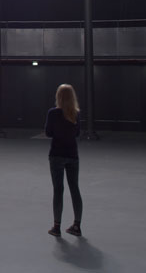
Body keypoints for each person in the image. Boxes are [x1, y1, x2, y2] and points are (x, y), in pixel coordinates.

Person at [44, 83, 82, 237]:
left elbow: (48, 133)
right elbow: (77, 134)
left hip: (56, 154)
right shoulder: (76, 114)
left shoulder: (53, 113)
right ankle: (77, 226)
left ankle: (56, 227)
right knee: (75, 189)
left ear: (58, 96)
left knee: (58, 190)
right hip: (72, 155)